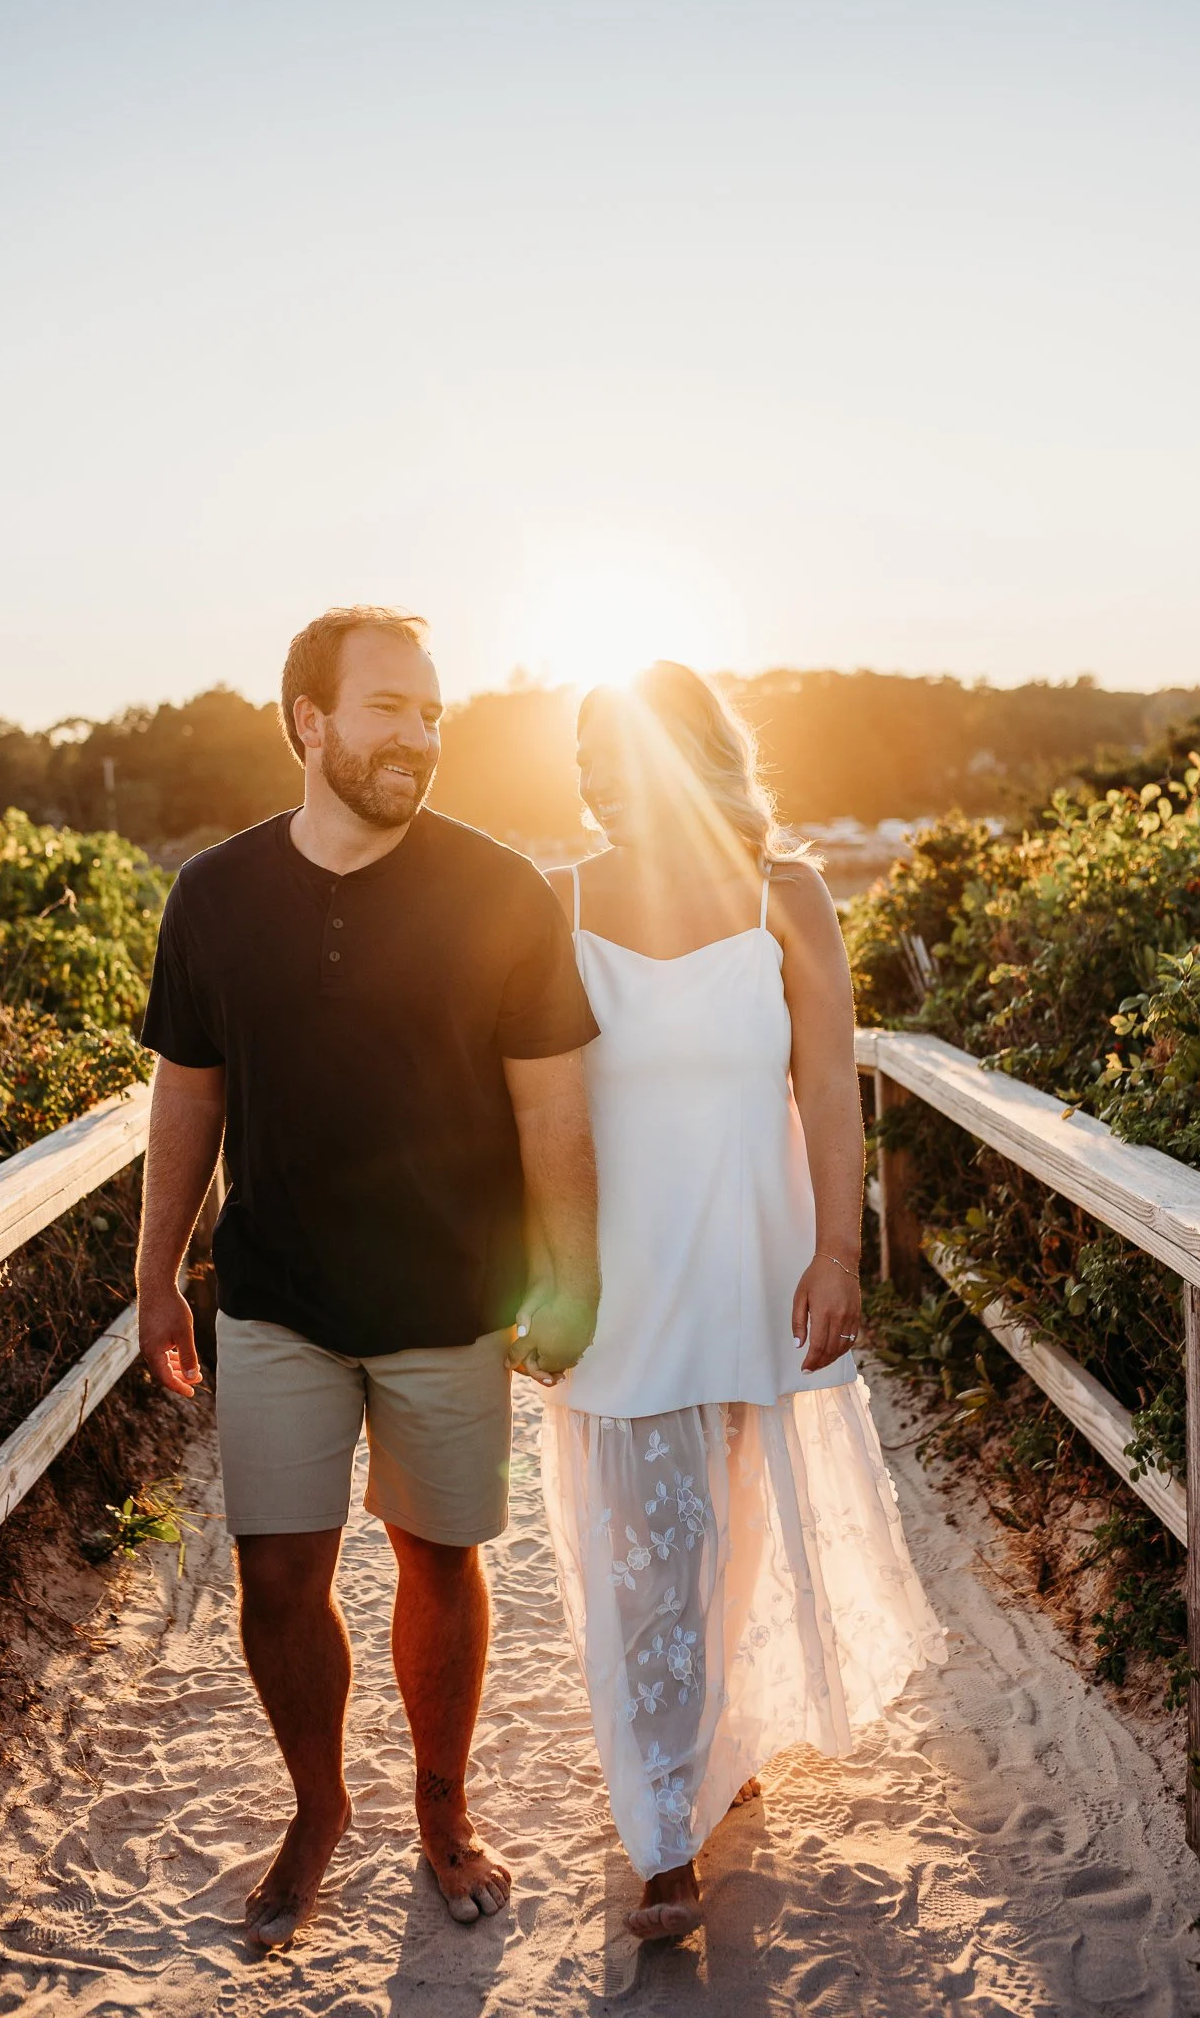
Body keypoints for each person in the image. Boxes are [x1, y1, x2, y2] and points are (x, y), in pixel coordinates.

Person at [134, 606, 600, 1949]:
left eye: (433, 711)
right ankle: (319, 1805)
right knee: (277, 1578)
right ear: (308, 721)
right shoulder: (213, 895)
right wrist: (158, 1274)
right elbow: (187, 1094)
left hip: (450, 1297)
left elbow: (552, 1109)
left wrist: (569, 1276)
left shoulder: (502, 890)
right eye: (390, 708)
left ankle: (442, 1809)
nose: (421, 736)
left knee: (438, 1563)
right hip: (273, 1293)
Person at [533, 662, 946, 1941]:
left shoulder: (791, 895)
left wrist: (837, 1251)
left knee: (736, 1523)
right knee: (653, 1551)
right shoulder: (561, 899)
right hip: (623, 1276)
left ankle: (709, 1746)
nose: (608, 776)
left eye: (630, 749)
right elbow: (530, 1105)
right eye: (595, 754)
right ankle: (663, 1840)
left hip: (756, 1265)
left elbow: (830, 1087)